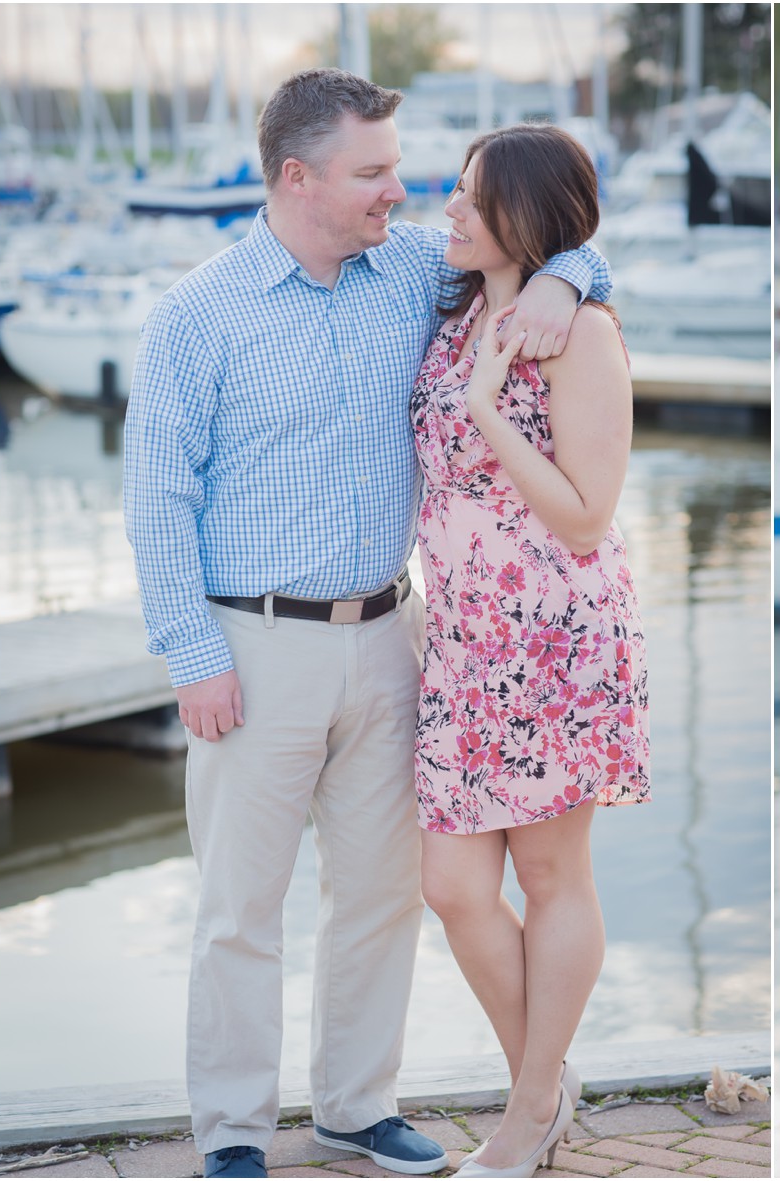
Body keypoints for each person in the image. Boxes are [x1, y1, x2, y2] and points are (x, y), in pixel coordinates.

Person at [123, 69, 612, 1180]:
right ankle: (235, 1130)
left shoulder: (412, 277)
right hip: (251, 644)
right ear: (299, 177)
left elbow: (543, 244)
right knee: (241, 907)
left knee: (383, 893)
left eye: (400, 167)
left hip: (397, 635)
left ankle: (353, 1105)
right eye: (375, 171)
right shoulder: (200, 312)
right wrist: (190, 653)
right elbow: (158, 496)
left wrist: (575, 277)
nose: (404, 190)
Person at [408, 124, 649, 1179]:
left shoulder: (581, 333)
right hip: (463, 640)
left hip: (557, 636)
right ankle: (541, 1085)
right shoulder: (454, 303)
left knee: (553, 874)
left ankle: (527, 1112)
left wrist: (483, 411)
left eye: (469, 196)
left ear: (522, 211)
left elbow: (589, 517)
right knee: (454, 884)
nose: (449, 210)